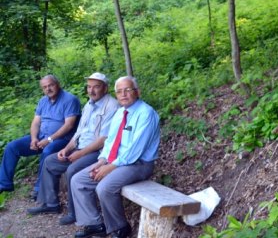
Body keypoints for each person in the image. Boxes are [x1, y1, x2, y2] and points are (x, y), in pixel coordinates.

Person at [71, 76, 160, 238]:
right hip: (116, 161)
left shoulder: (146, 114)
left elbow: (135, 150)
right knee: (78, 180)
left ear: (137, 92)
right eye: (119, 91)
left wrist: (110, 167)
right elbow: (111, 141)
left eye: (128, 90)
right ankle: (95, 224)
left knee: (104, 187)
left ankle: (120, 228)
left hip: (138, 164)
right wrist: (102, 161)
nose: (123, 94)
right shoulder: (119, 113)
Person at [27, 72, 119, 226]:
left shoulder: (112, 106)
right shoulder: (89, 104)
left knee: (73, 169)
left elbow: (104, 140)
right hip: (80, 149)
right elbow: (78, 132)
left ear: (106, 88)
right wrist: (67, 149)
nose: (91, 91)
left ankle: (74, 212)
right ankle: (51, 204)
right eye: (89, 87)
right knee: (50, 161)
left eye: (96, 87)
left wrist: (79, 154)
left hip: (98, 153)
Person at [0, 75, 81, 199]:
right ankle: (4, 184)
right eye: (44, 87)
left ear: (57, 84)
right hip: (41, 137)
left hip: (63, 140)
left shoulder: (70, 99)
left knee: (48, 151)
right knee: (12, 147)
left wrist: (49, 140)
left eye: (50, 85)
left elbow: (69, 125)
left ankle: (39, 189)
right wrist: (34, 138)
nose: (48, 89)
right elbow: (36, 122)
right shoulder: (43, 101)